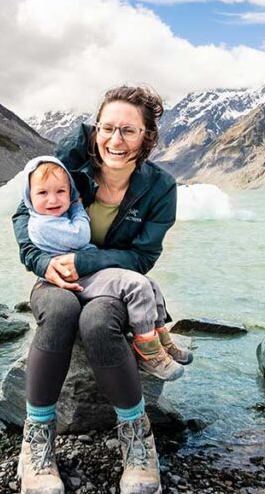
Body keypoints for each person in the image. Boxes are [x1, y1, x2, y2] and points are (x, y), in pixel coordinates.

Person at [12, 84, 180, 494]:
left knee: (98, 322)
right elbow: (25, 208)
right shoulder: (73, 154)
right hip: (56, 277)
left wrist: (85, 261)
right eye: (107, 128)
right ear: (96, 128)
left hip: (110, 282)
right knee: (63, 311)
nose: (115, 140)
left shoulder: (160, 188)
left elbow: (142, 256)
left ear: (147, 136)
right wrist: (40, 263)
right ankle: (36, 443)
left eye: (129, 130)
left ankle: (137, 441)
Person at [20, 155, 191, 380]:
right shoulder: (41, 225)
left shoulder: (54, 217)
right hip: (75, 277)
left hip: (85, 270)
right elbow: (81, 235)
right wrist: (78, 208)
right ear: (29, 197)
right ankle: (148, 353)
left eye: (61, 192)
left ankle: (161, 340)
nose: (53, 199)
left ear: (69, 191)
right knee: (137, 285)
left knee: (151, 285)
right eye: (43, 193)